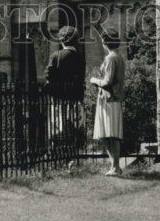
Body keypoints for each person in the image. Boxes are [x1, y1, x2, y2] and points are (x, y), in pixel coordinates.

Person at [90, 28, 126, 176]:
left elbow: (107, 81)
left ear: (105, 42)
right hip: (110, 98)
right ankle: (114, 166)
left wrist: (94, 80)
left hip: (109, 98)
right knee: (108, 134)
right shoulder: (118, 56)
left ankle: (115, 166)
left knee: (111, 133)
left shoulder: (111, 58)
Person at [44, 25, 85, 153]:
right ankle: (73, 153)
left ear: (61, 40)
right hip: (75, 99)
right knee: (73, 126)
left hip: (58, 99)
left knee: (57, 127)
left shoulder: (56, 56)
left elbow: (48, 75)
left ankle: (57, 153)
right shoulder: (80, 58)